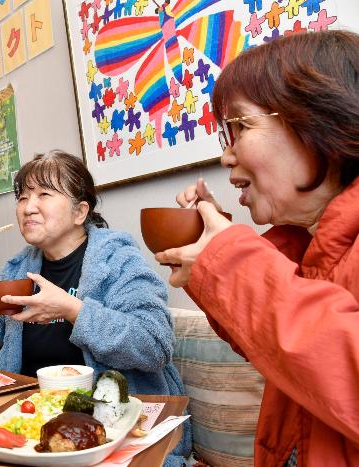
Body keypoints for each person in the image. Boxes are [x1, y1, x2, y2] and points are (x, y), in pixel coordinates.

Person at [154, 31, 359, 466]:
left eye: (241, 127)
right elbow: (285, 350)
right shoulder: (305, 251)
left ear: (320, 124)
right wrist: (210, 263)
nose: (227, 157)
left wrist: (231, 264)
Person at [0, 151, 190, 465]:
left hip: (116, 426)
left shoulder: (118, 261)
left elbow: (154, 345)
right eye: (22, 197)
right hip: (37, 425)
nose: (27, 207)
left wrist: (73, 309)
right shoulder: (19, 269)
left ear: (80, 212)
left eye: (44, 195)